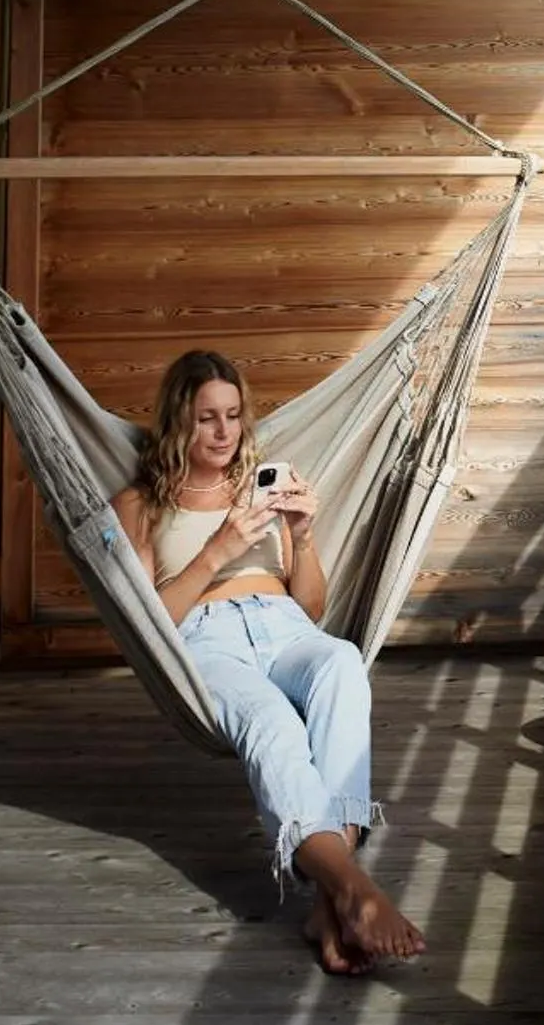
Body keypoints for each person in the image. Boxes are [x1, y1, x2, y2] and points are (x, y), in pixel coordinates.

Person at [111, 348, 425, 976]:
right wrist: (215, 552)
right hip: (204, 637)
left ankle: (332, 902)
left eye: (232, 415)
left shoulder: (262, 484)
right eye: (207, 418)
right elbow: (151, 621)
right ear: (179, 420)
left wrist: (303, 536)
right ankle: (351, 891)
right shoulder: (140, 504)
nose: (225, 432)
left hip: (282, 624)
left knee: (340, 661)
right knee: (272, 722)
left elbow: (309, 607)